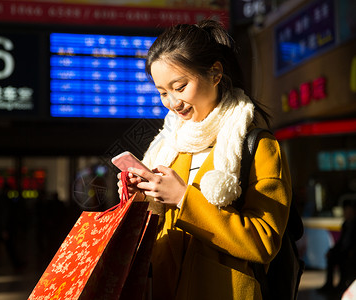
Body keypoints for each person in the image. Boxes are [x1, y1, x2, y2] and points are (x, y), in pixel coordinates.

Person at [117, 19, 292, 299]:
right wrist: (140, 195)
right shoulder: (171, 146)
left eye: (180, 86)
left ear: (215, 74)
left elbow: (263, 242)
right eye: (163, 92)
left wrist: (184, 198)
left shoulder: (258, 145)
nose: (173, 102)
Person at [318, 198, 356, 295]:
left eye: (348, 210)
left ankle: (342, 285)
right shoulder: (345, 224)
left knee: (345, 261)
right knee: (331, 257)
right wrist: (331, 250)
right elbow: (340, 242)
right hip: (343, 251)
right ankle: (329, 284)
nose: (345, 213)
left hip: (351, 253)